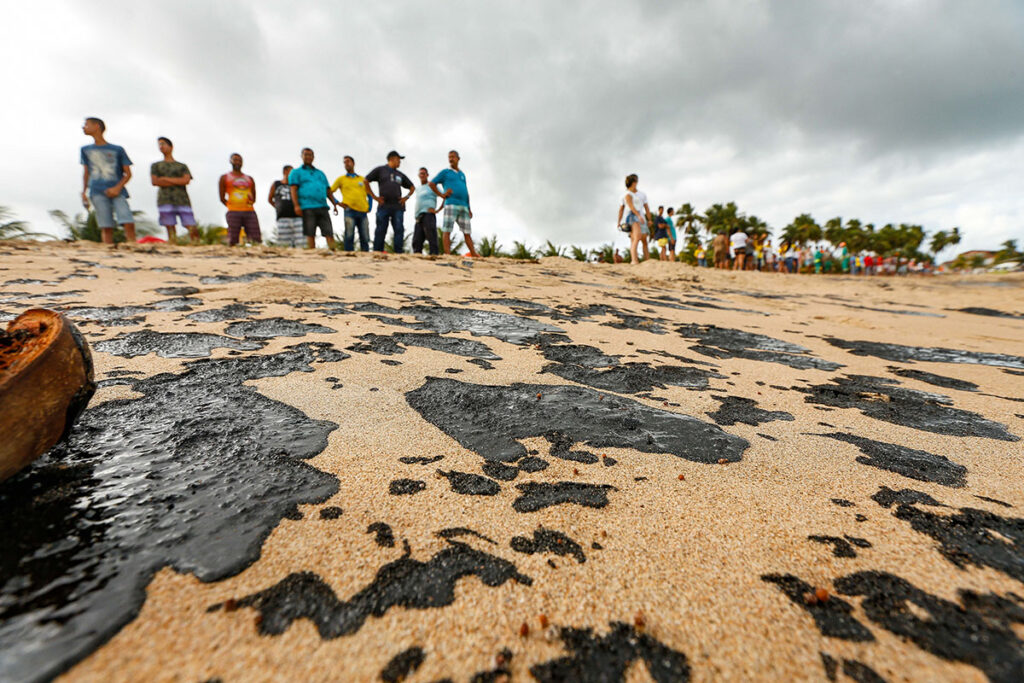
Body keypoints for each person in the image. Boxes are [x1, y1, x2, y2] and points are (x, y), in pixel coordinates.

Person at [80, 117, 136, 244]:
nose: (83, 127)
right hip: (96, 190)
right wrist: (84, 191)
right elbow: (86, 172)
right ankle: (108, 249)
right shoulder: (85, 150)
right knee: (105, 224)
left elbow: (127, 173)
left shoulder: (117, 149)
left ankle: (132, 245)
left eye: (86, 124)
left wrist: (117, 187)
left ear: (97, 126)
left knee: (127, 219)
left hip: (117, 190)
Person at [429, 150, 479, 257]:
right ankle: (447, 254)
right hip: (451, 204)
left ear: (458, 159)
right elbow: (432, 183)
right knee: (447, 230)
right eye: (449, 157)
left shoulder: (462, 174)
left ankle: (474, 254)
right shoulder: (445, 172)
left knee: (467, 232)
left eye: (453, 157)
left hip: (464, 206)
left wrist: (469, 208)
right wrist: (442, 194)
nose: (451, 159)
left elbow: (466, 191)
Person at [150, 137, 197, 244]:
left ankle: (195, 243)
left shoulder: (181, 166)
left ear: (171, 146)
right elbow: (155, 182)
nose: (161, 146)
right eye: (159, 145)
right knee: (169, 225)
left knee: (190, 224)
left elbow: (186, 180)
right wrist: (177, 181)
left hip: (182, 199)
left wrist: (165, 179)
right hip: (165, 198)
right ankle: (173, 243)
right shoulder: (156, 165)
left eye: (163, 144)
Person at [366, 151, 415, 253]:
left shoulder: (400, 174)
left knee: (399, 230)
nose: (400, 162)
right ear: (392, 159)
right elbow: (366, 180)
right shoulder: (380, 170)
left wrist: (406, 197)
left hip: (398, 207)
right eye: (398, 160)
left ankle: (398, 253)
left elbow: (412, 187)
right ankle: (377, 252)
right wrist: (374, 197)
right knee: (380, 229)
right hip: (384, 205)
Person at [288, 148, 337, 250]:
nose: (308, 157)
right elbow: (293, 189)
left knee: (329, 232)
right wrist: (296, 205)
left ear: (313, 157)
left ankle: (333, 252)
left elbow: (328, 190)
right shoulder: (296, 172)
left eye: (310, 155)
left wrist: (334, 204)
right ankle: (312, 253)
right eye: (306, 154)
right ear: (301, 156)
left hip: (322, 206)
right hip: (307, 206)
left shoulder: (320, 173)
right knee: (310, 232)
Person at [329, 155, 371, 251]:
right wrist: (336, 202)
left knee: (365, 236)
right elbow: (329, 191)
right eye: (344, 162)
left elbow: (369, 194)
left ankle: (366, 255)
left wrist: (370, 207)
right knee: (349, 235)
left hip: (363, 211)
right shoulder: (341, 179)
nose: (346, 164)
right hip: (349, 211)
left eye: (348, 161)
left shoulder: (362, 179)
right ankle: (349, 255)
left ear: (353, 163)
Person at [219, 153, 261, 246]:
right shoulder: (224, 177)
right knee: (232, 238)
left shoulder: (249, 178)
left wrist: (249, 203)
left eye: (239, 160)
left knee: (255, 238)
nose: (237, 162)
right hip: (233, 211)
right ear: (230, 161)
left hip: (250, 211)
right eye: (235, 160)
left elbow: (254, 195)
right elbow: (222, 197)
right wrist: (231, 205)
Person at [615, 174, 649, 264]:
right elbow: (630, 206)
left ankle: (635, 260)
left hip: (635, 215)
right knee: (636, 237)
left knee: (636, 238)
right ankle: (634, 260)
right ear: (633, 183)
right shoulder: (627, 194)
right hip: (632, 216)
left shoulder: (636, 194)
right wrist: (638, 215)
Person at [412, 167, 444, 255]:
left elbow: (444, 196)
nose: (422, 175)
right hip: (418, 216)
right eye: (420, 173)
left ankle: (434, 256)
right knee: (417, 239)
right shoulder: (418, 189)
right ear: (419, 175)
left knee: (431, 237)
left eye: (424, 173)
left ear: (427, 175)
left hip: (428, 215)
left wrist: (438, 210)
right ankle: (417, 257)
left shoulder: (432, 186)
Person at [269, 165, 302, 247]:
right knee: (284, 244)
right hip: (282, 217)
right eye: (291, 172)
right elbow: (270, 199)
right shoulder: (276, 184)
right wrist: (278, 208)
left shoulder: (296, 185)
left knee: (301, 242)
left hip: (297, 217)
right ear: (285, 172)